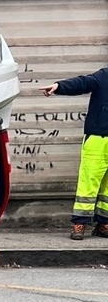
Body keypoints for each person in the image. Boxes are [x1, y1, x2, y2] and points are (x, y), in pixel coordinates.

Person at [43, 70, 108, 239]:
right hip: (98, 138)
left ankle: (104, 223)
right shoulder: (104, 76)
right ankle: (80, 223)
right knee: (88, 181)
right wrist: (59, 86)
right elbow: (82, 83)